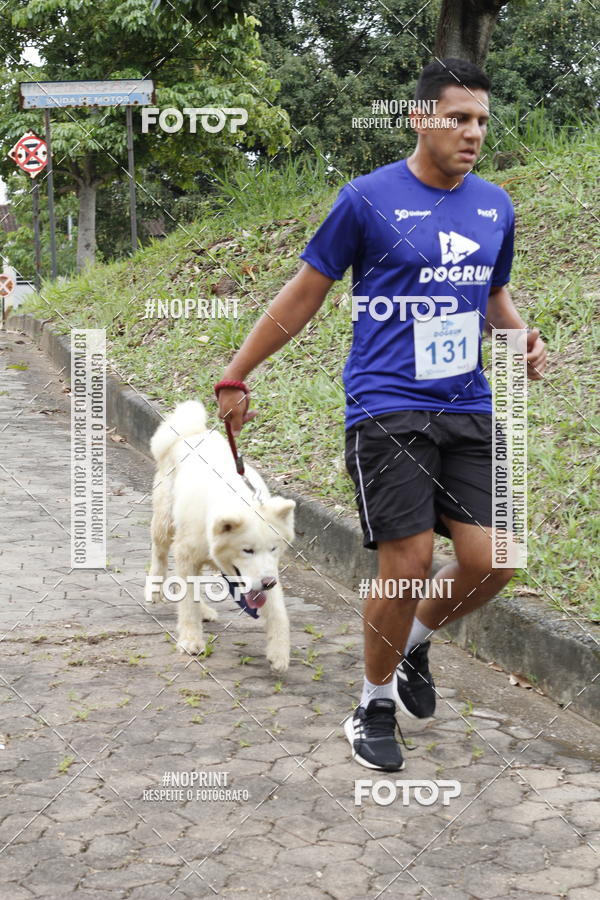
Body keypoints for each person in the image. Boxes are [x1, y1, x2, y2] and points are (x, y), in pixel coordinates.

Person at [215, 57, 547, 772]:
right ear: (420, 119)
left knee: (495, 559)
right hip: (387, 406)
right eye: (458, 118)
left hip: (468, 406)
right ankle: (371, 702)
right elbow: (304, 293)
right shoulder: (367, 200)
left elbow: (490, 293)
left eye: (482, 121)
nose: (473, 133)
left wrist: (521, 337)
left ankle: (415, 645)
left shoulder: (495, 206)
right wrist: (238, 371)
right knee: (409, 562)